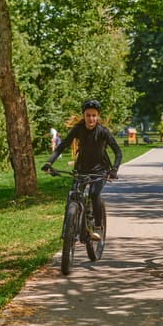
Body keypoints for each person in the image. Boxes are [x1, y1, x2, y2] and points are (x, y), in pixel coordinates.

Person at [41, 99, 122, 241]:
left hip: (99, 170)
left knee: (94, 194)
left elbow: (118, 152)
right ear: (83, 116)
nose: (91, 118)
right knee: (73, 196)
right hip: (81, 169)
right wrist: (49, 163)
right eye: (88, 115)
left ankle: (97, 227)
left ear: (98, 117)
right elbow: (62, 146)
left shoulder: (103, 132)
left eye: (94, 115)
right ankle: (69, 228)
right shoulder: (78, 129)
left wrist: (114, 169)